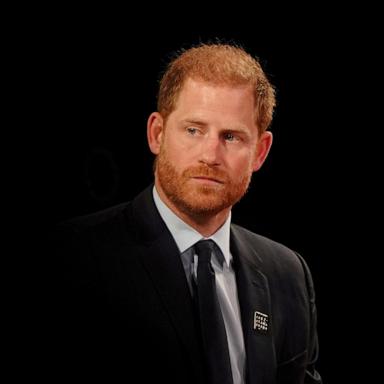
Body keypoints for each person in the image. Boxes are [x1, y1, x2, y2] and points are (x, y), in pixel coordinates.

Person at [55, 43, 322, 384]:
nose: (210, 154)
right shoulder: (70, 258)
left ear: (260, 151)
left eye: (231, 136)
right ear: (157, 133)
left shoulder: (288, 275)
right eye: (194, 130)